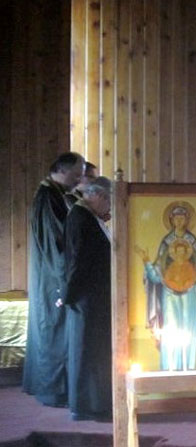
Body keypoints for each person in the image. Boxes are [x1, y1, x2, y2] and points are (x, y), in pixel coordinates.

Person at [23, 152, 85, 407]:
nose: (80, 177)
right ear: (61, 169)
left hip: (57, 275)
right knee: (53, 332)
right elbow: (57, 242)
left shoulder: (60, 194)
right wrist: (67, 282)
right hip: (53, 278)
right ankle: (53, 392)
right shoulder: (48, 198)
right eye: (77, 172)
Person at [134, 202, 196, 371]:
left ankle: (189, 368)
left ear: (187, 220)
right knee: (170, 329)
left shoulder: (192, 241)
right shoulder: (166, 242)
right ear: (171, 219)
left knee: (189, 326)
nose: (179, 221)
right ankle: (169, 369)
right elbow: (157, 272)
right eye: (176, 217)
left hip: (191, 293)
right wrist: (146, 261)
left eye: (182, 217)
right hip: (169, 294)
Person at [59, 176, 112, 421]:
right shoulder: (80, 218)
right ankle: (84, 406)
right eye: (109, 201)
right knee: (85, 350)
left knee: (94, 350)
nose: (110, 207)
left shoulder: (89, 216)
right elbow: (77, 260)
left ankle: (96, 402)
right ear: (99, 196)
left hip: (94, 296)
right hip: (86, 297)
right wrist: (68, 295)